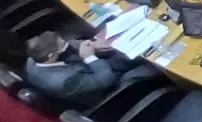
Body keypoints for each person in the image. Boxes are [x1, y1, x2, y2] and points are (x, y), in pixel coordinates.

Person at [24, 30, 153, 108]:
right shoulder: (62, 81)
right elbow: (107, 80)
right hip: (104, 90)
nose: (66, 45)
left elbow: (69, 45)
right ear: (51, 56)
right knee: (150, 67)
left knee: (120, 50)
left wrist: (90, 44)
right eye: (62, 45)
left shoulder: (33, 58)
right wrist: (90, 57)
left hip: (82, 69)